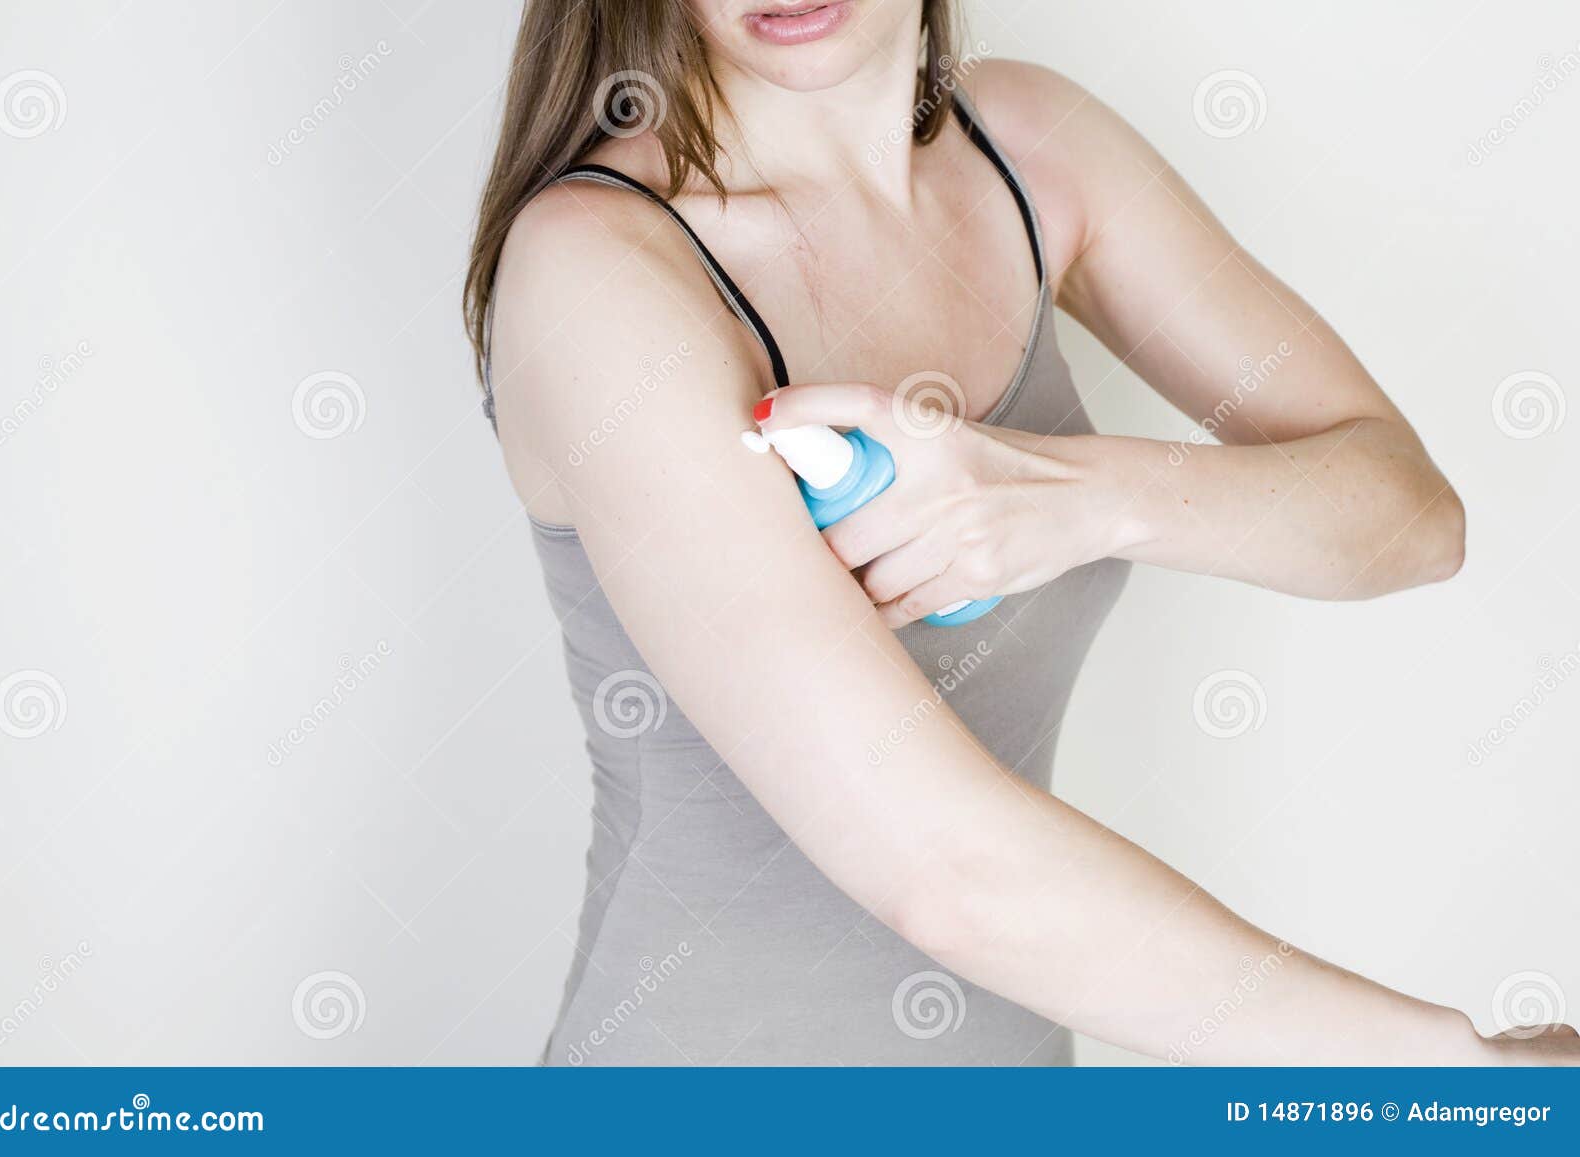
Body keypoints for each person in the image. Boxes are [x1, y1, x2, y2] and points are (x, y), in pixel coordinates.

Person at [463, 0, 1572, 1065]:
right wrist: (1456, 1064)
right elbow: (941, 864)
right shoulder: (594, 268)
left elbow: (1411, 519)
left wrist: (1074, 494)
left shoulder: (1036, 153)